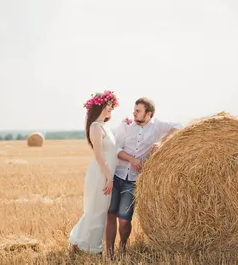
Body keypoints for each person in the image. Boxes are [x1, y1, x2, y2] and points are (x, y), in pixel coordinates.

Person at [105, 97, 183, 256]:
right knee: (111, 214)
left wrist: (162, 143)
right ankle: (110, 252)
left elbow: (179, 126)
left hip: (133, 181)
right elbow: (116, 149)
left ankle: (123, 246)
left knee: (125, 219)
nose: (134, 113)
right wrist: (131, 159)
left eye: (138, 111)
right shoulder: (126, 126)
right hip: (117, 176)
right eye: (134, 110)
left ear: (149, 114)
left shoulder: (157, 126)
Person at [69, 90, 120, 255]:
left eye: (112, 106)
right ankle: (93, 248)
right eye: (109, 106)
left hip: (105, 173)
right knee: (97, 211)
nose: (111, 108)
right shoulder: (95, 127)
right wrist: (109, 178)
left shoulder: (105, 126)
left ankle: (82, 243)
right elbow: (98, 156)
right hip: (100, 174)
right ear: (101, 107)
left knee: (99, 210)